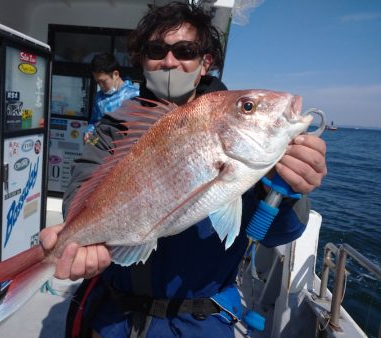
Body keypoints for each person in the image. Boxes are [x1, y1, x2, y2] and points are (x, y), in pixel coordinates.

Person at [40, 2, 327, 337]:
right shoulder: (116, 127)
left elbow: (277, 233)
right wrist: (79, 235)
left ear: (205, 62)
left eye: (185, 50)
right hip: (114, 316)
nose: (170, 61)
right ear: (142, 60)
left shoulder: (242, 139)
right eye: (156, 50)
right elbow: (81, 189)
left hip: (200, 321)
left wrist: (288, 190)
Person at [84, 53, 139, 142]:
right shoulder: (99, 98)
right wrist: (89, 132)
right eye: (98, 82)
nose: (101, 86)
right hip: (104, 147)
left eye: (103, 81)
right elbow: (94, 122)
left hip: (127, 147)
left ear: (116, 74)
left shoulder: (134, 95)